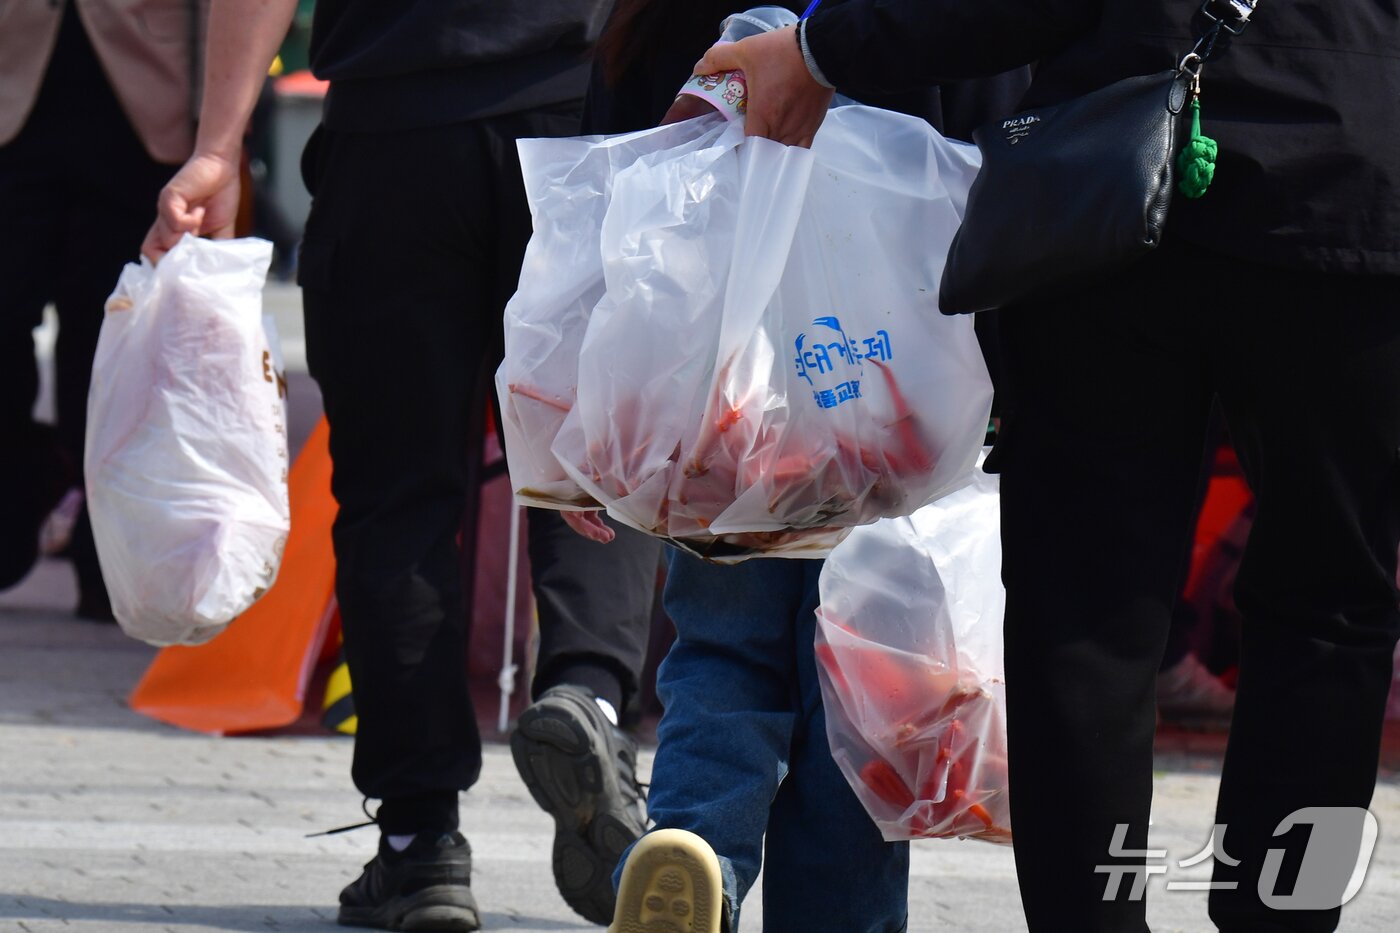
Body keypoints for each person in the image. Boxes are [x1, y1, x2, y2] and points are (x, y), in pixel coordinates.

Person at [700, 2, 1400, 931]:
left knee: (1085, 617)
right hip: (1349, 193)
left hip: (1108, 193)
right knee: (1326, 615)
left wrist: (822, 49)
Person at [143, 1, 664, 929]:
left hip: (396, 130)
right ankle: (587, 696)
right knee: (593, 457)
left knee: (398, 500)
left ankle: (420, 842)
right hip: (575, 119)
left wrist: (219, 143)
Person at [562, 5, 1027, 930]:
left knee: (721, 657)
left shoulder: (668, 17)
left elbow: (599, 204)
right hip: (889, 420)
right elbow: (1001, 146)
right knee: (858, 690)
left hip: (719, 425)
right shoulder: (886, 26)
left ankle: (694, 845)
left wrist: (587, 423)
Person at [0, 0, 207, 619]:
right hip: (12, 91)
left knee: (112, 342)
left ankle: (104, 557)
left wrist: (221, 121)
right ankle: (26, 483)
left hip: (144, 103)